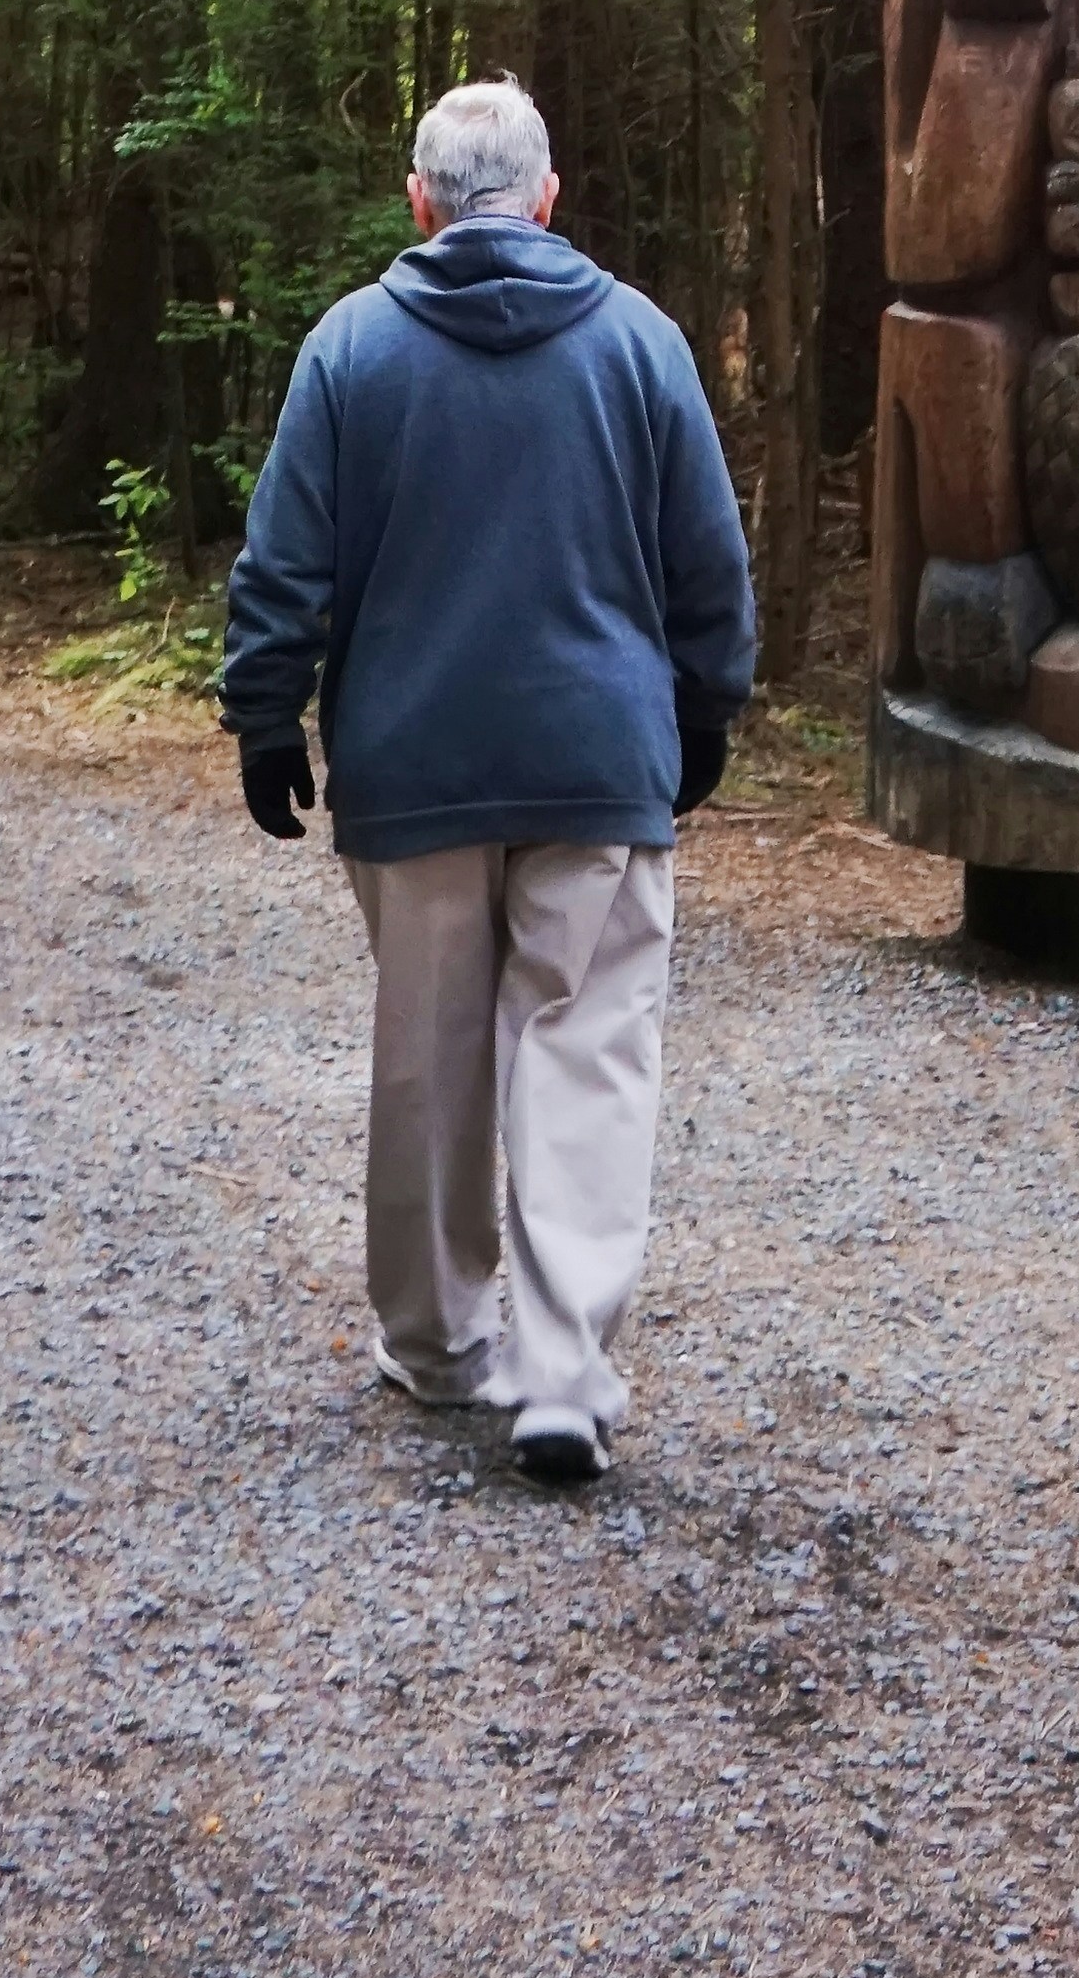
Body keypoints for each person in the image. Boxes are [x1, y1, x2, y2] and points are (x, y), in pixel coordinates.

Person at [218, 77, 755, 1486]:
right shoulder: (642, 344)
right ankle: (565, 1371)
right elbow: (710, 560)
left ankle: (442, 1345)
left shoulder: (352, 350)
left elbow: (285, 562)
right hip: (600, 764)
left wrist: (266, 715)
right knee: (588, 1054)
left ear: (420, 202)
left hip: (414, 769)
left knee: (431, 1058)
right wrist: (707, 707)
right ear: (549, 196)